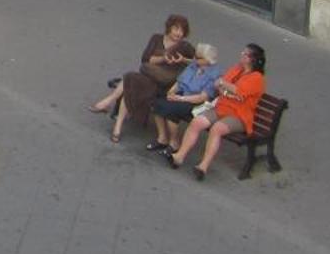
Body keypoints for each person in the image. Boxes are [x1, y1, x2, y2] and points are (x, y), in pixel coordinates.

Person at [90, 15, 194, 143]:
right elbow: (145, 59)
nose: (179, 33)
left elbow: (198, 62)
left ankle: (109, 103)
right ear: (169, 28)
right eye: (176, 29)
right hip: (149, 77)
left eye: (182, 30)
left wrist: (183, 60)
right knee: (131, 80)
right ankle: (117, 126)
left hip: (164, 85)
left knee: (131, 81)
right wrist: (163, 58)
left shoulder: (185, 46)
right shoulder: (156, 38)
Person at [168, 43, 267, 179]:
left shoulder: (257, 78)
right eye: (243, 52)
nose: (241, 55)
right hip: (221, 107)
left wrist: (223, 84)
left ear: (253, 60)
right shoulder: (237, 69)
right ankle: (179, 156)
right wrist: (223, 86)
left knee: (217, 129)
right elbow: (219, 86)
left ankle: (203, 166)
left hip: (239, 115)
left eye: (246, 54)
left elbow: (238, 91)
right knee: (197, 122)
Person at [147, 43, 222, 152]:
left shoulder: (214, 75)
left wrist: (180, 99)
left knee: (170, 111)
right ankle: (162, 138)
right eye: (195, 56)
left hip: (195, 102)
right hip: (183, 95)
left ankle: (174, 142)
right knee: (156, 103)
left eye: (198, 57)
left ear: (207, 60)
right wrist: (171, 92)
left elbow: (202, 97)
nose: (194, 59)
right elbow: (179, 82)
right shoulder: (194, 65)